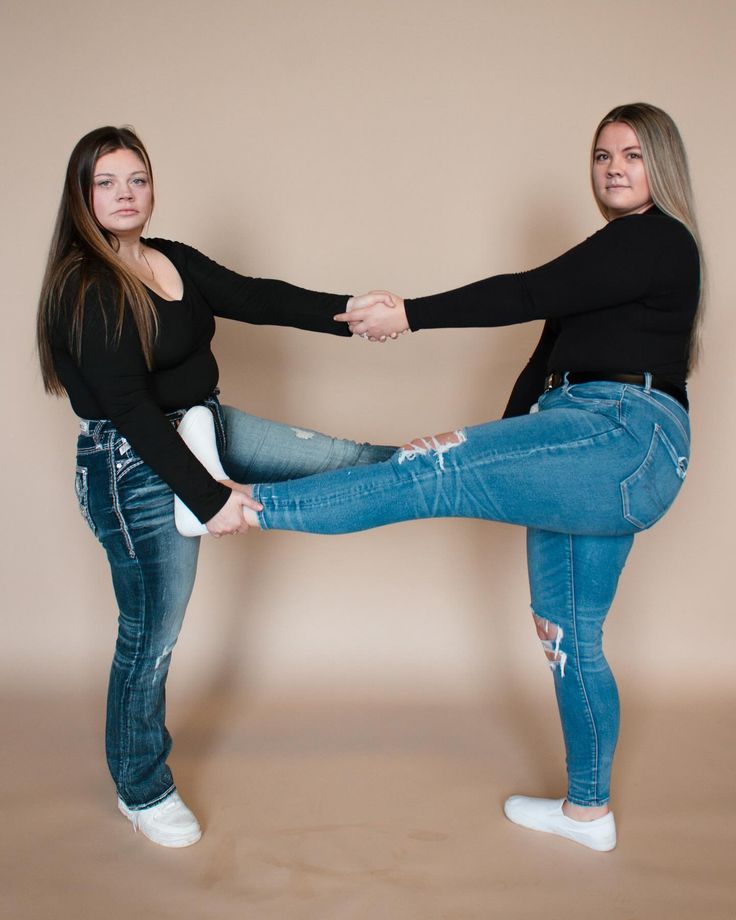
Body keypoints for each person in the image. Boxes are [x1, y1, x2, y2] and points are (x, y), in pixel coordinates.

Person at [233, 103, 702, 851]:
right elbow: (544, 358)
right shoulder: (608, 256)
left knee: (430, 466)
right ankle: (590, 813)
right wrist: (507, 437)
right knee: (567, 635)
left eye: (633, 156)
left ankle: (244, 507)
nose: (614, 167)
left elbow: (525, 294)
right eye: (603, 155)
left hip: (623, 434)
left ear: (662, 167)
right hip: (584, 435)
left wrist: (410, 314)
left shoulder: (660, 240)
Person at [36, 126, 396, 847]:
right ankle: (142, 788)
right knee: (152, 637)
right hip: (132, 463)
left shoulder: (171, 259)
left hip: (203, 425)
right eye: (107, 182)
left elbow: (258, 296)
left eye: (136, 178)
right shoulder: (86, 285)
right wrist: (210, 498)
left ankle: (465, 468)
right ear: (83, 195)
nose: (125, 193)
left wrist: (354, 311)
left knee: (352, 459)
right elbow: (134, 411)